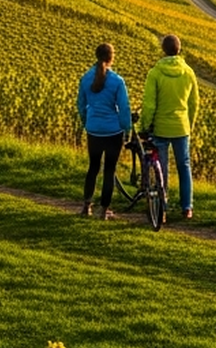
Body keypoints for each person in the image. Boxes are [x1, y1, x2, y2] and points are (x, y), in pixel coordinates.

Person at [140, 34, 199, 220]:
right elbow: (194, 103)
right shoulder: (188, 72)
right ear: (179, 49)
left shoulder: (155, 73)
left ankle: (162, 208)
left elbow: (149, 104)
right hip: (181, 127)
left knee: (162, 168)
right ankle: (187, 207)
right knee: (184, 166)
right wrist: (190, 123)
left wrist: (145, 124)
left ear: (163, 50)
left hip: (161, 127)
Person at [76, 42, 130, 218]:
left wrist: (87, 122)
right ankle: (104, 210)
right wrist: (126, 128)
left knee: (93, 167)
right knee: (109, 170)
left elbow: (81, 105)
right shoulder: (117, 81)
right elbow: (124, 108)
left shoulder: (85, 79)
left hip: (94, 130)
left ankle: (86, 206)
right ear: (111, 58)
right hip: (113, 132)